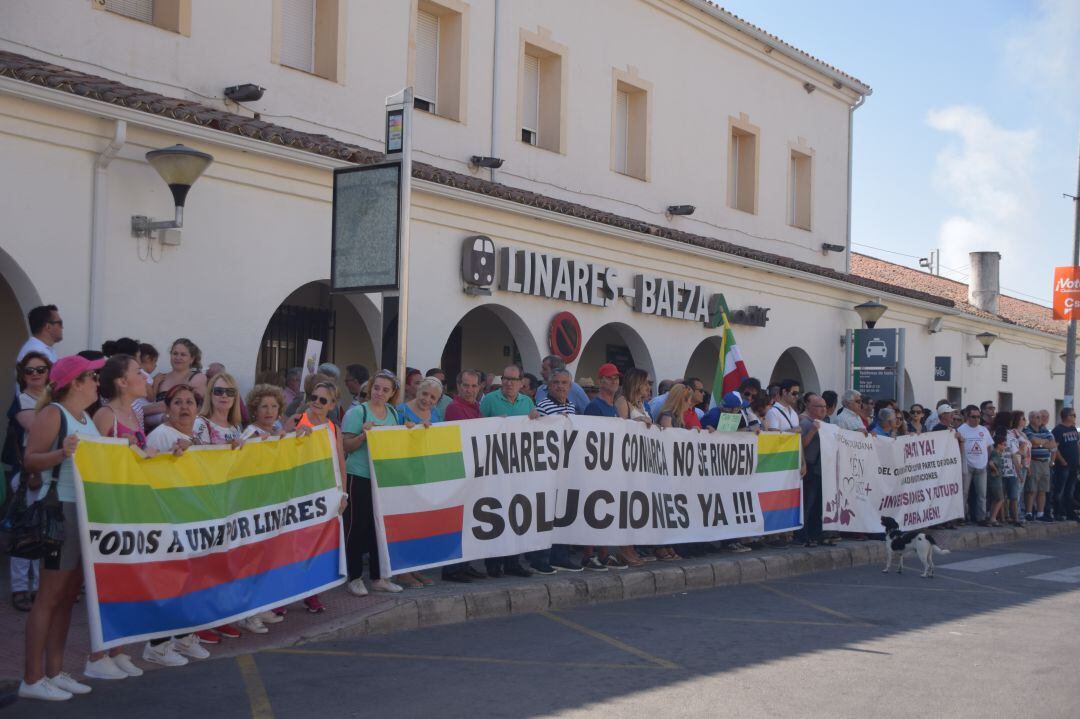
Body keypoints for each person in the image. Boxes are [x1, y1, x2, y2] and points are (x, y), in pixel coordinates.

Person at [19, 354, 104, 701]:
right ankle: (32, 677)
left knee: (68, 596)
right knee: (50, 596)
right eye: (93, 378)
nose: (99, 383)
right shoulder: (54, 413)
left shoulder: (86, 418)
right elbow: (30, 460)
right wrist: (61, 454)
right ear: (77, 382)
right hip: (61, 509)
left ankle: (53, 670)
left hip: (83, 510)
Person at [81, 354, 151, 680]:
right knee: (108, 581)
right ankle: (97, 654)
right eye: (138, 372)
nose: (145, 376)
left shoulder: (133, 415)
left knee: (127, 581)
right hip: (111, 511)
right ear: (122, 381)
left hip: (132, 507)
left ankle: (118, 649)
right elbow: (95, 463)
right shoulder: (106, 415)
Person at [141, 385, 213, 667]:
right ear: (168, 408)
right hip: (168, 517)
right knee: (170, 582)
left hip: (191, 516)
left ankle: (183, 636)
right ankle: (157, 645)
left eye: (190, 402)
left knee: (189, 580)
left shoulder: (192, 435)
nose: (184, 407)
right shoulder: (161, 435)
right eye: (178, 402)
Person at [341, 370, 404, 594]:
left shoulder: (393, 413)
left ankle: (380, 577)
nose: (379, 393)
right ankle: (355, 577)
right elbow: (345, 447)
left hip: (382, 478)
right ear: (370, 387)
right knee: (356, 527)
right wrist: (362, 436)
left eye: (385, 390)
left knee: (381, 528)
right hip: (359, 476)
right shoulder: (359, 412)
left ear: (392, 393)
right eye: (376, 388)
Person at [295, 379, 349, 611]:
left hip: (324, 492)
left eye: (322, 400)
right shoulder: (297, 420)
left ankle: (313, 593)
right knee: (294, 544)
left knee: (318, 545)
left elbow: (340, 462)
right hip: (297, 492)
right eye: (313, 397)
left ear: (332, 405)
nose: (316, 402)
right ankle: (284, 595)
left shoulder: (333, 428)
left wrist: (344, 494)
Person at [480, 364, 538, 577]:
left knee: (516, 515)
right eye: (505, 378)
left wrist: (535, 419)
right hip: (495, 467)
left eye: (513, 380)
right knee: (495, 514)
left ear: (521, 382)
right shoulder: (489, 400)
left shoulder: (527, 402)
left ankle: (513, 562)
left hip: (519, 468)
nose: (508, 383)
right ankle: (493, 564)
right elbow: (479, 430)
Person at [8, 352, 51, 613]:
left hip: (51, 474)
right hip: (30, 476)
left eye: (40, 369)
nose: (35, 374)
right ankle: (20, 587)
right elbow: (37, 432)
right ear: (22, 375)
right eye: (29, 370)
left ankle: (40, 587)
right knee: (26, 533)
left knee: (45, 533)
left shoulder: (53, 400)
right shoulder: (22, 400)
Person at [439, 370, 488, 583]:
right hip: (458, 472)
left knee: (469, 521)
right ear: (458, 386)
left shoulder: (476, 407)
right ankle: (451, 569)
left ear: (479, 388)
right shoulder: (454, 408)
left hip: (473, 473)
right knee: (456, 522)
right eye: (466, 386)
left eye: (474, 386)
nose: (470, 390)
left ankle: (464, 564)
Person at [798, 393, 828, 546]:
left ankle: (816, 533)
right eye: (819, 407)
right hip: (809, 467)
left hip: (821, 469)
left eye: (824, 407)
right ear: (809, 407)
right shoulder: (805, 423)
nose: (823, 410)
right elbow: (800, 445)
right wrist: (812, 432)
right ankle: (803, 535)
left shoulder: (823, 423)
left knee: (817, 504)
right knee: (808, 504)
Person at [957, 405, 993, 525]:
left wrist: (987, 461)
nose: (976, 419)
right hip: (967, 465)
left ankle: (981, 518)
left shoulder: (983, 430)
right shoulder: (961, 429)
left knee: (982, 494)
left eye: (978, 416)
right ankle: (961, 517)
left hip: (981, 466)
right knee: (963, 493)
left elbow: (989, 447)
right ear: (967, 416)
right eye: (973, 417)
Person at [151, 338, 207, 409]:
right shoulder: (160, 378)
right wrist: (155, 384)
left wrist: (141, 411)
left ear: (192, 359)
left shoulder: (197, 377)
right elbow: (149, 400)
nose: (178, 357)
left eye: (183, 355)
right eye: (175, 353)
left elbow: (179, 404)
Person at [1024, 410, 1056, 521]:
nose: (1040, 419)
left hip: (1044, 462)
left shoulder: (1044, 429)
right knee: (1031, 489)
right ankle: (1028, 512)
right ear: (1031, 419)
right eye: (1038, 417)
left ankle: (1040, 514)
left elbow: (1053, 444)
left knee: (1043, 489)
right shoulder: (1027, 430)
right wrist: (1044, 443)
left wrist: (1040, 443)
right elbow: (1032, 441)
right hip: (1034, 461)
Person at [1051, 407, 1079, 523]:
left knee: (1070, 490)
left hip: (1074, 464)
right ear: (1067, 416)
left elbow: (1077, 445)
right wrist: (1062, 460)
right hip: (1063, 465)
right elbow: (1054, 447)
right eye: (1073, 415)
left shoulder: (1073, 429)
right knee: (1060, 490)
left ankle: (1069, 512)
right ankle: (1058, 512)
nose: (1075, 417)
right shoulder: (1058, 430)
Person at [987, 431, 1008, 527]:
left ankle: (992, 517)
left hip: (995, 480)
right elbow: (991, 463)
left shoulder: (996, 453)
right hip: (995, 480)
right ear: (998, 445)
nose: (1005, 446)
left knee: (996, 499)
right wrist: (996, 470)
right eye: (1003, 444)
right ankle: (993, 518)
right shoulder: (995, 453)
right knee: (1000, 499)